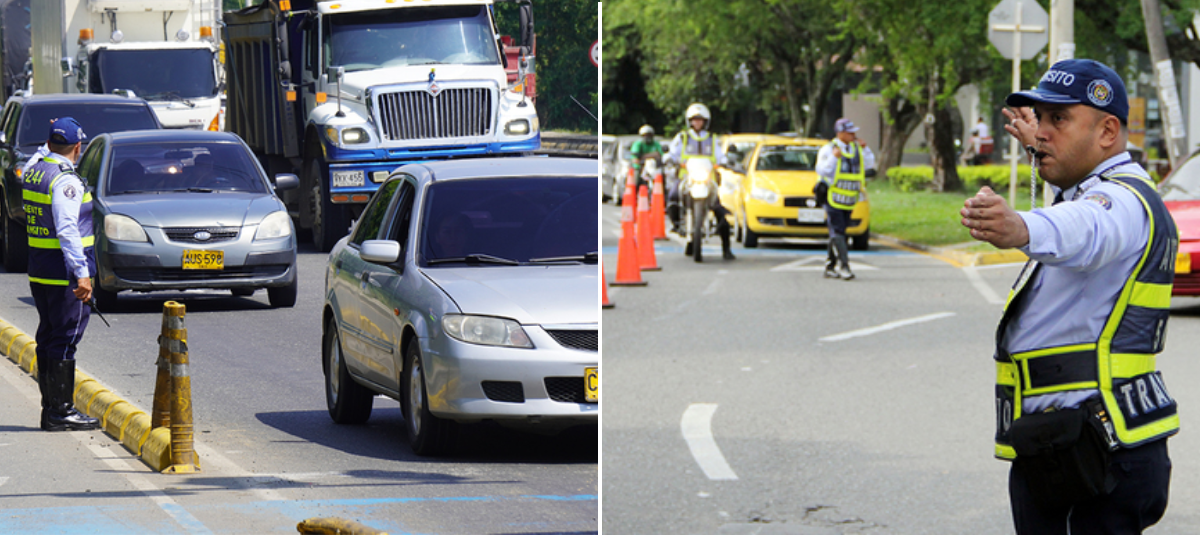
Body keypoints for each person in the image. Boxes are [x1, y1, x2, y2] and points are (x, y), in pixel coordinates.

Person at [961, 59, 1176, 533]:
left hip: (1096, 452)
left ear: (1107, 132)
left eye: (1059, 120)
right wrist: (1043, 147)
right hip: (1071, 443)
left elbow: (1086, 229)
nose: (1042, 133)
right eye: (1040, 119)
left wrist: (1020, 226)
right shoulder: (1091, 190)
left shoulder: (1119, 200)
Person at [23, 117, 100, 432]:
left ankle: (50, 409)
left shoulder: (35, 169)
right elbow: (68, 230)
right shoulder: (66, 181)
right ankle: (61, 411)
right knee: (65, 340)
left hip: (40, 271)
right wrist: (81, 273)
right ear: (78, 148)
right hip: (63, 275)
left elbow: (39, 154)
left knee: (48, 337)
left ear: (50, 144)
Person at [666, 102, 734, 261]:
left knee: (719, 209)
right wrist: (670, 159)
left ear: (706, 121)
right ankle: (676, 225)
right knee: (673, 196)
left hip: (707, 179)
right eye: (694, 119)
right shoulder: (682, 137)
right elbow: (673, 153)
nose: (697, 122)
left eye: (700, 119)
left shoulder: (712, 138)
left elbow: (720, 155)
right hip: (686, 177)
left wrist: (724, 161)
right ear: (689, 121)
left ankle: (727, 248)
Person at [815, 118, 866, 280]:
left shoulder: (855, 149)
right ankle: (844, 266)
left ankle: (830, 266)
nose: (853, 135)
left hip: (849, 198)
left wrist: (866, 150)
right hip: (832, 197)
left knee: (840, 232)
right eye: (849, 132)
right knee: (837, 230)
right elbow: (822, 170)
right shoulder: (828, 149)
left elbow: (869, 165)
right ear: (840, 133)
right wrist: (834, 157)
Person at [628, 124, 663, 189]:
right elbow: (635, 158)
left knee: (662, 175)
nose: (647, 137)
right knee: (636, 177)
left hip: (654, 165)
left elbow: (659, 154)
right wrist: (651, 155)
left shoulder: (656, 143)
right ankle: (635, 190)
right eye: (646, 135)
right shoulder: (638, 144)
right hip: (639, 166)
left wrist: (644, 156)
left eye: (649, 135)